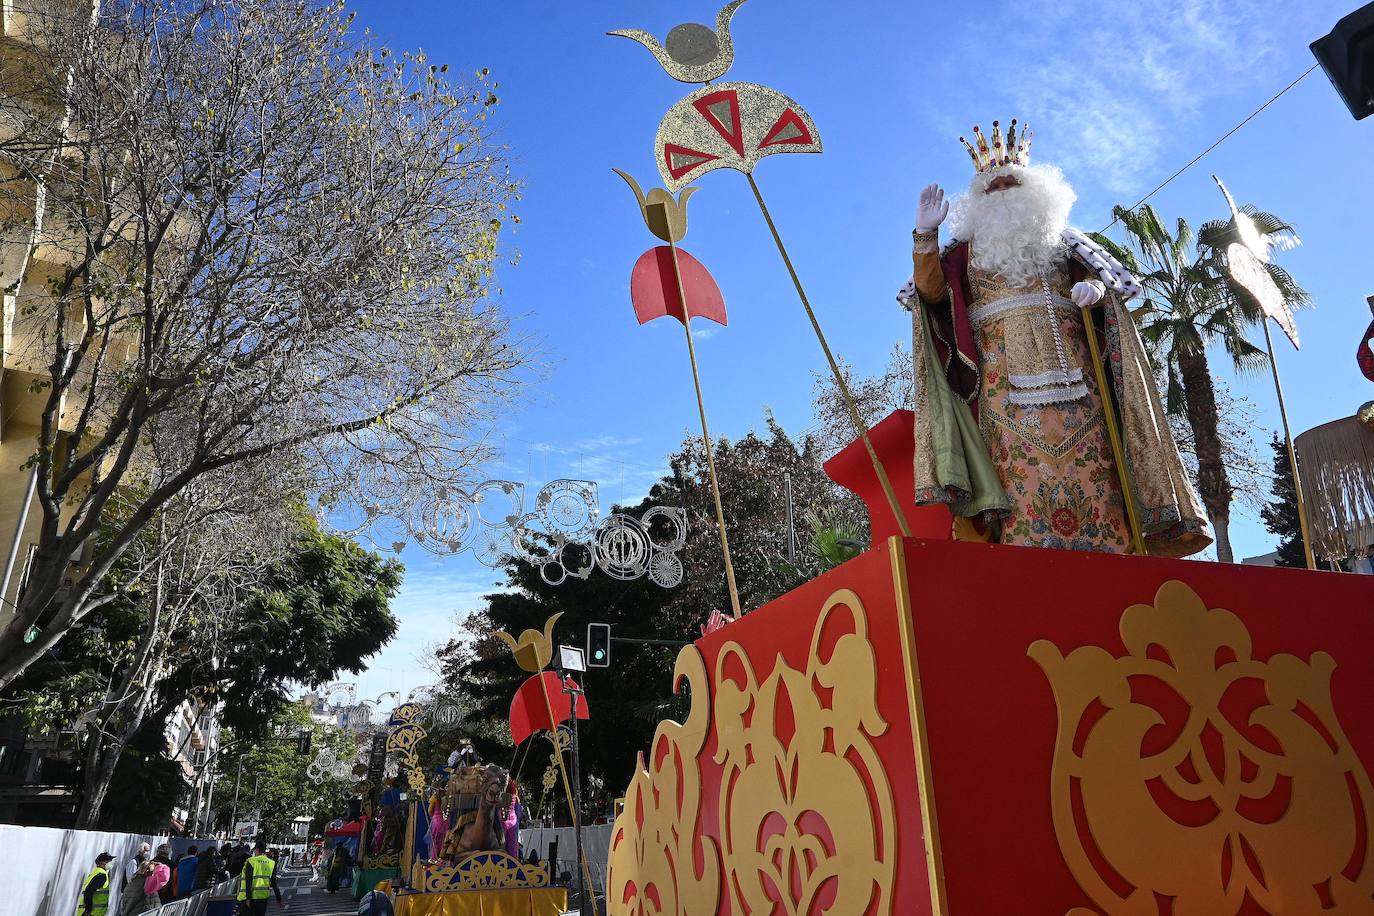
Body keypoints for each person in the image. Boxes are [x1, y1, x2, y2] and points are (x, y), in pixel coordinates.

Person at [900, 119, 1210, 556]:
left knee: (1098, 478)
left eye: (1012, 182)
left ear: (1037, 188)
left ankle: (1115, 557)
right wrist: (925, 237)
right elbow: (931, 295)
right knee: (1018, 492)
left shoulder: (1067, 243)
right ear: (977, 200)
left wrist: (1098, 291)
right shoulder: (963, 253)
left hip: (1081, 392)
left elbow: (1114, 289)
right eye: (993, 186)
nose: (1003, 190)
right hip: (1002, 395)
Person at [237, 840, 280, 916]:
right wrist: (278, 897)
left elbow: (248, 881)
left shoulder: (251, 861)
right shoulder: (271, 862)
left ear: (256, 849)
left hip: (247, 898)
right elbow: (273, 882)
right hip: (262, 898)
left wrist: (248, 898)